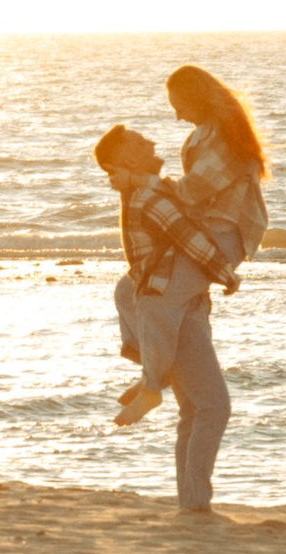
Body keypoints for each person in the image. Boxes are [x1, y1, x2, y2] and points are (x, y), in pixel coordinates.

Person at [157, 62, 271, 511]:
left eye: (178, 105)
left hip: (221, 235)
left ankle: (149, 365)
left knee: (203, 406)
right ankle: (192, 502)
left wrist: (151, 188)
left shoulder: (222, 133)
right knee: (201, 406)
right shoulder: (211, 129)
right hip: (207, 238)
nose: (176, 116)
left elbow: (197, 188)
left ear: (195, 97)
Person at [94, 125, 241, 429]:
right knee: (154, 314)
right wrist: (225, 273)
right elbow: (189, 238)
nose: (151, 141)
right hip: (161, 286)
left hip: (149, 281)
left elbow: (172, 196)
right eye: (140, 142)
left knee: (127, 292)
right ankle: (151, 385)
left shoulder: (140, 190)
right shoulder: (149, 197)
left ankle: (152, 376)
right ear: (131, 161)